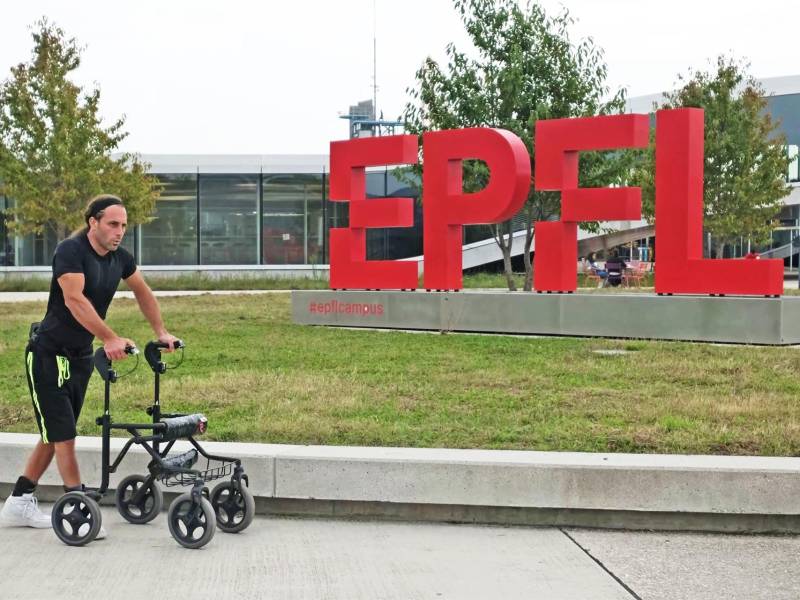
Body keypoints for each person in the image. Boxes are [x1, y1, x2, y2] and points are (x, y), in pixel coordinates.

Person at [0, 195, 179, 532]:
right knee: (63, 434)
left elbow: (142, 291)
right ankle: (77, 507)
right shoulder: (71, 250)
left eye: (124, 225)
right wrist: (110, 337)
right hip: (48, 355)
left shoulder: (120, 258)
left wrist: (161, 331)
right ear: (92, 222)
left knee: (54, 434)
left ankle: (19, 501)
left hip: (80, 356)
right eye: (113, 224)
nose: (120, 231)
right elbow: (74, 300)